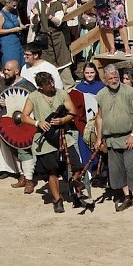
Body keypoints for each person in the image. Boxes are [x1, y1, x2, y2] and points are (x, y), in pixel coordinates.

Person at [21, 71, 81, 213]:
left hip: (63, 136)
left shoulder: (61, 94)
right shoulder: (34, 97)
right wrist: (38, 123)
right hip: (46, 139)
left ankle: (74, 190)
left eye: (52, 82)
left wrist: (62, 120)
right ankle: (57, 199)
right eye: (48, 84)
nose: (52, 85)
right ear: (41, 86)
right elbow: (23, 117)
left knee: (76, 167)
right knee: (52, 171)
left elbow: (72, 111)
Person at [93, 64, 133, 216]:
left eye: (116, 77)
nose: (114, 80)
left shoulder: (130, 92)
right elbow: (100, 117)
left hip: (129, 137)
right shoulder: (101, 95)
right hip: (112, 139)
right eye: (110, 78)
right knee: (118, 171)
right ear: (105, 79)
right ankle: (127, 197)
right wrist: (99, 138)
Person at [0, 60, 36, 190]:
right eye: (5, 70)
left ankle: (29, 180)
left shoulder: (27, 85)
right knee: (14, 149)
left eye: (8, 70)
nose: (5, 72)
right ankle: (22, 176)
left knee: (24, 149)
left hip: (25, 122)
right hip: (10, 122)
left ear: (16, 71)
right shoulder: (2, 84)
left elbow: (36, 99)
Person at [30, 0, 73, 76]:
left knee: (63, 65)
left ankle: (68, 88)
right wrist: (36, 15)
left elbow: (58, 22)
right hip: (44, 40)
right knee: (46, 66)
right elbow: (34, 22)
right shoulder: (39, 4)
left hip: (57, 38)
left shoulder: (57, 4)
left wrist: (50, 16)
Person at [0, 0, 27, 68]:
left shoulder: (15, 11)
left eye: (16, 5)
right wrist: (13, 30)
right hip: (7, 43)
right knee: (11, 64)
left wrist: (24, 26)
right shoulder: (0, 14)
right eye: (13, 5)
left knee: (21, 62)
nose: (15, 7)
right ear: (7, 3)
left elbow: (20, 24)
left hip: (17, 41)